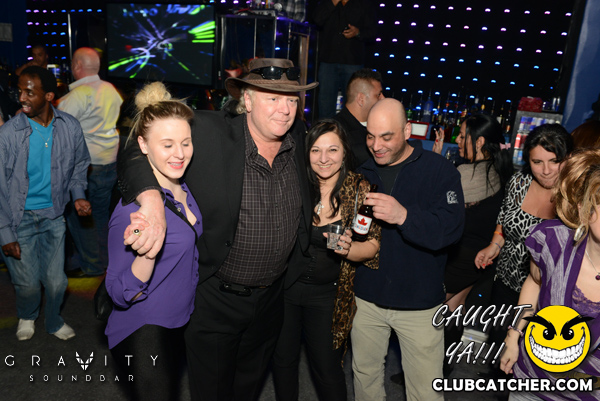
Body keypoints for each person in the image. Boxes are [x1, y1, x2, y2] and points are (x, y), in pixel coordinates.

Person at [117, 58, 317, 401]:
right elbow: (136, 147)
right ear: (248, 100)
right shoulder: (208, 131)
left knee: (248, 388)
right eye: (272, 98)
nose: (285, 109)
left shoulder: (299, 136)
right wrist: (151, 200)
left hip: (271, 300)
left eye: (291, 99)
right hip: (215, 298)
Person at [350, 98, 464, 401]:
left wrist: (404, 216)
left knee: (425, 391)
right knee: (364, 378)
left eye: (386, 137)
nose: (376, 146)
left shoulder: (440, 171)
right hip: (367, 298)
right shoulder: (362, 171)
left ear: (407, 130)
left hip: (420, 305)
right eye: (371, 136)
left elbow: (451, 230)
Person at [105, 81, 201, 401]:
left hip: (178, 321)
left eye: (185, 143)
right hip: (144, 329)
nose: (180, 154)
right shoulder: (133, 211)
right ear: (143, 146)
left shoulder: (183, 188)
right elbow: (118, 292)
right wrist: (147, 253)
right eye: (167, 144)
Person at [272, 119, 380, 401]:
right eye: (316, 150)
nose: (323, 158)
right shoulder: (296, 182)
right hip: (286, 289)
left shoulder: (359, 189)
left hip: (328, 295)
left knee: (327, 368)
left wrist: (348, 250)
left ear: (344, 152)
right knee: (282, 361)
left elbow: (372, 246)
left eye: (332, 150)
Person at [500, 148, 600, 400]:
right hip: (531, 381)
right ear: (584, 207)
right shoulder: (553, 241)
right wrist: (513, 336)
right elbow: (534, 282)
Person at [0, 66, 90, 341]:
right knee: (27, 284)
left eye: (29, 92)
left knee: (56, 281)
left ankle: (53, 320)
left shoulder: (69, 126)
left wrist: (78, 195)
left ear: (49, 96)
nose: (22, 98)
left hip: (53, 215)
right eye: (19, 91)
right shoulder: (9, 134)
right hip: (19, 219)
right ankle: (28, 314)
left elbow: (79, 165)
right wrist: (5, 232)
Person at [474, 124, 574, 373]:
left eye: (554, 161)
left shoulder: (575, 197)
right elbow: (504, 220)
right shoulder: (519, 182)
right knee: (499, 350)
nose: (546, 170)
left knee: (533, 364)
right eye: (537, 162)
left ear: (569, 158)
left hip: (546, 297)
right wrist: (494, 245)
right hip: (506, 283)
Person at [435, 115, 513, 370]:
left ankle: (427, 370)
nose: (457, 140)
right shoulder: (500, 171)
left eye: (462, 136)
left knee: (429, 308)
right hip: (480, 258)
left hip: (462, 257)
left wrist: (435, 162)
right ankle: (442, 368)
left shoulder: (467, 174)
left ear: (478, 142)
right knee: (454, 308)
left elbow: (433, 200)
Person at [57, 47, 123, 277]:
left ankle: (91, 264)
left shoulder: (78, 95)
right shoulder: (110, 89)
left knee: (79, 216)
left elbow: (60, 131)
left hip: (86, 166)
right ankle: (104, 260)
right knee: (100, 214)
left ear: (77, 66)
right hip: (109, 162)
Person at [313, 0, 376, 119]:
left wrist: (358, 32)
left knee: (354, 104)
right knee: (325, 104)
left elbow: (372, 32)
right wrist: (333, 2)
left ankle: (349, 131)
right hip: (328, 60)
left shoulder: (363, 3)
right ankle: (326, 130)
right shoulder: (328, 2)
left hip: (352, 61)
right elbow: (317, 19)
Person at [332, 68, 384, 167]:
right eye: (378, 95)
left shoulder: (378, 126)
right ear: (361, 99)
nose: (383, 98)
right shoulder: (337, 132)